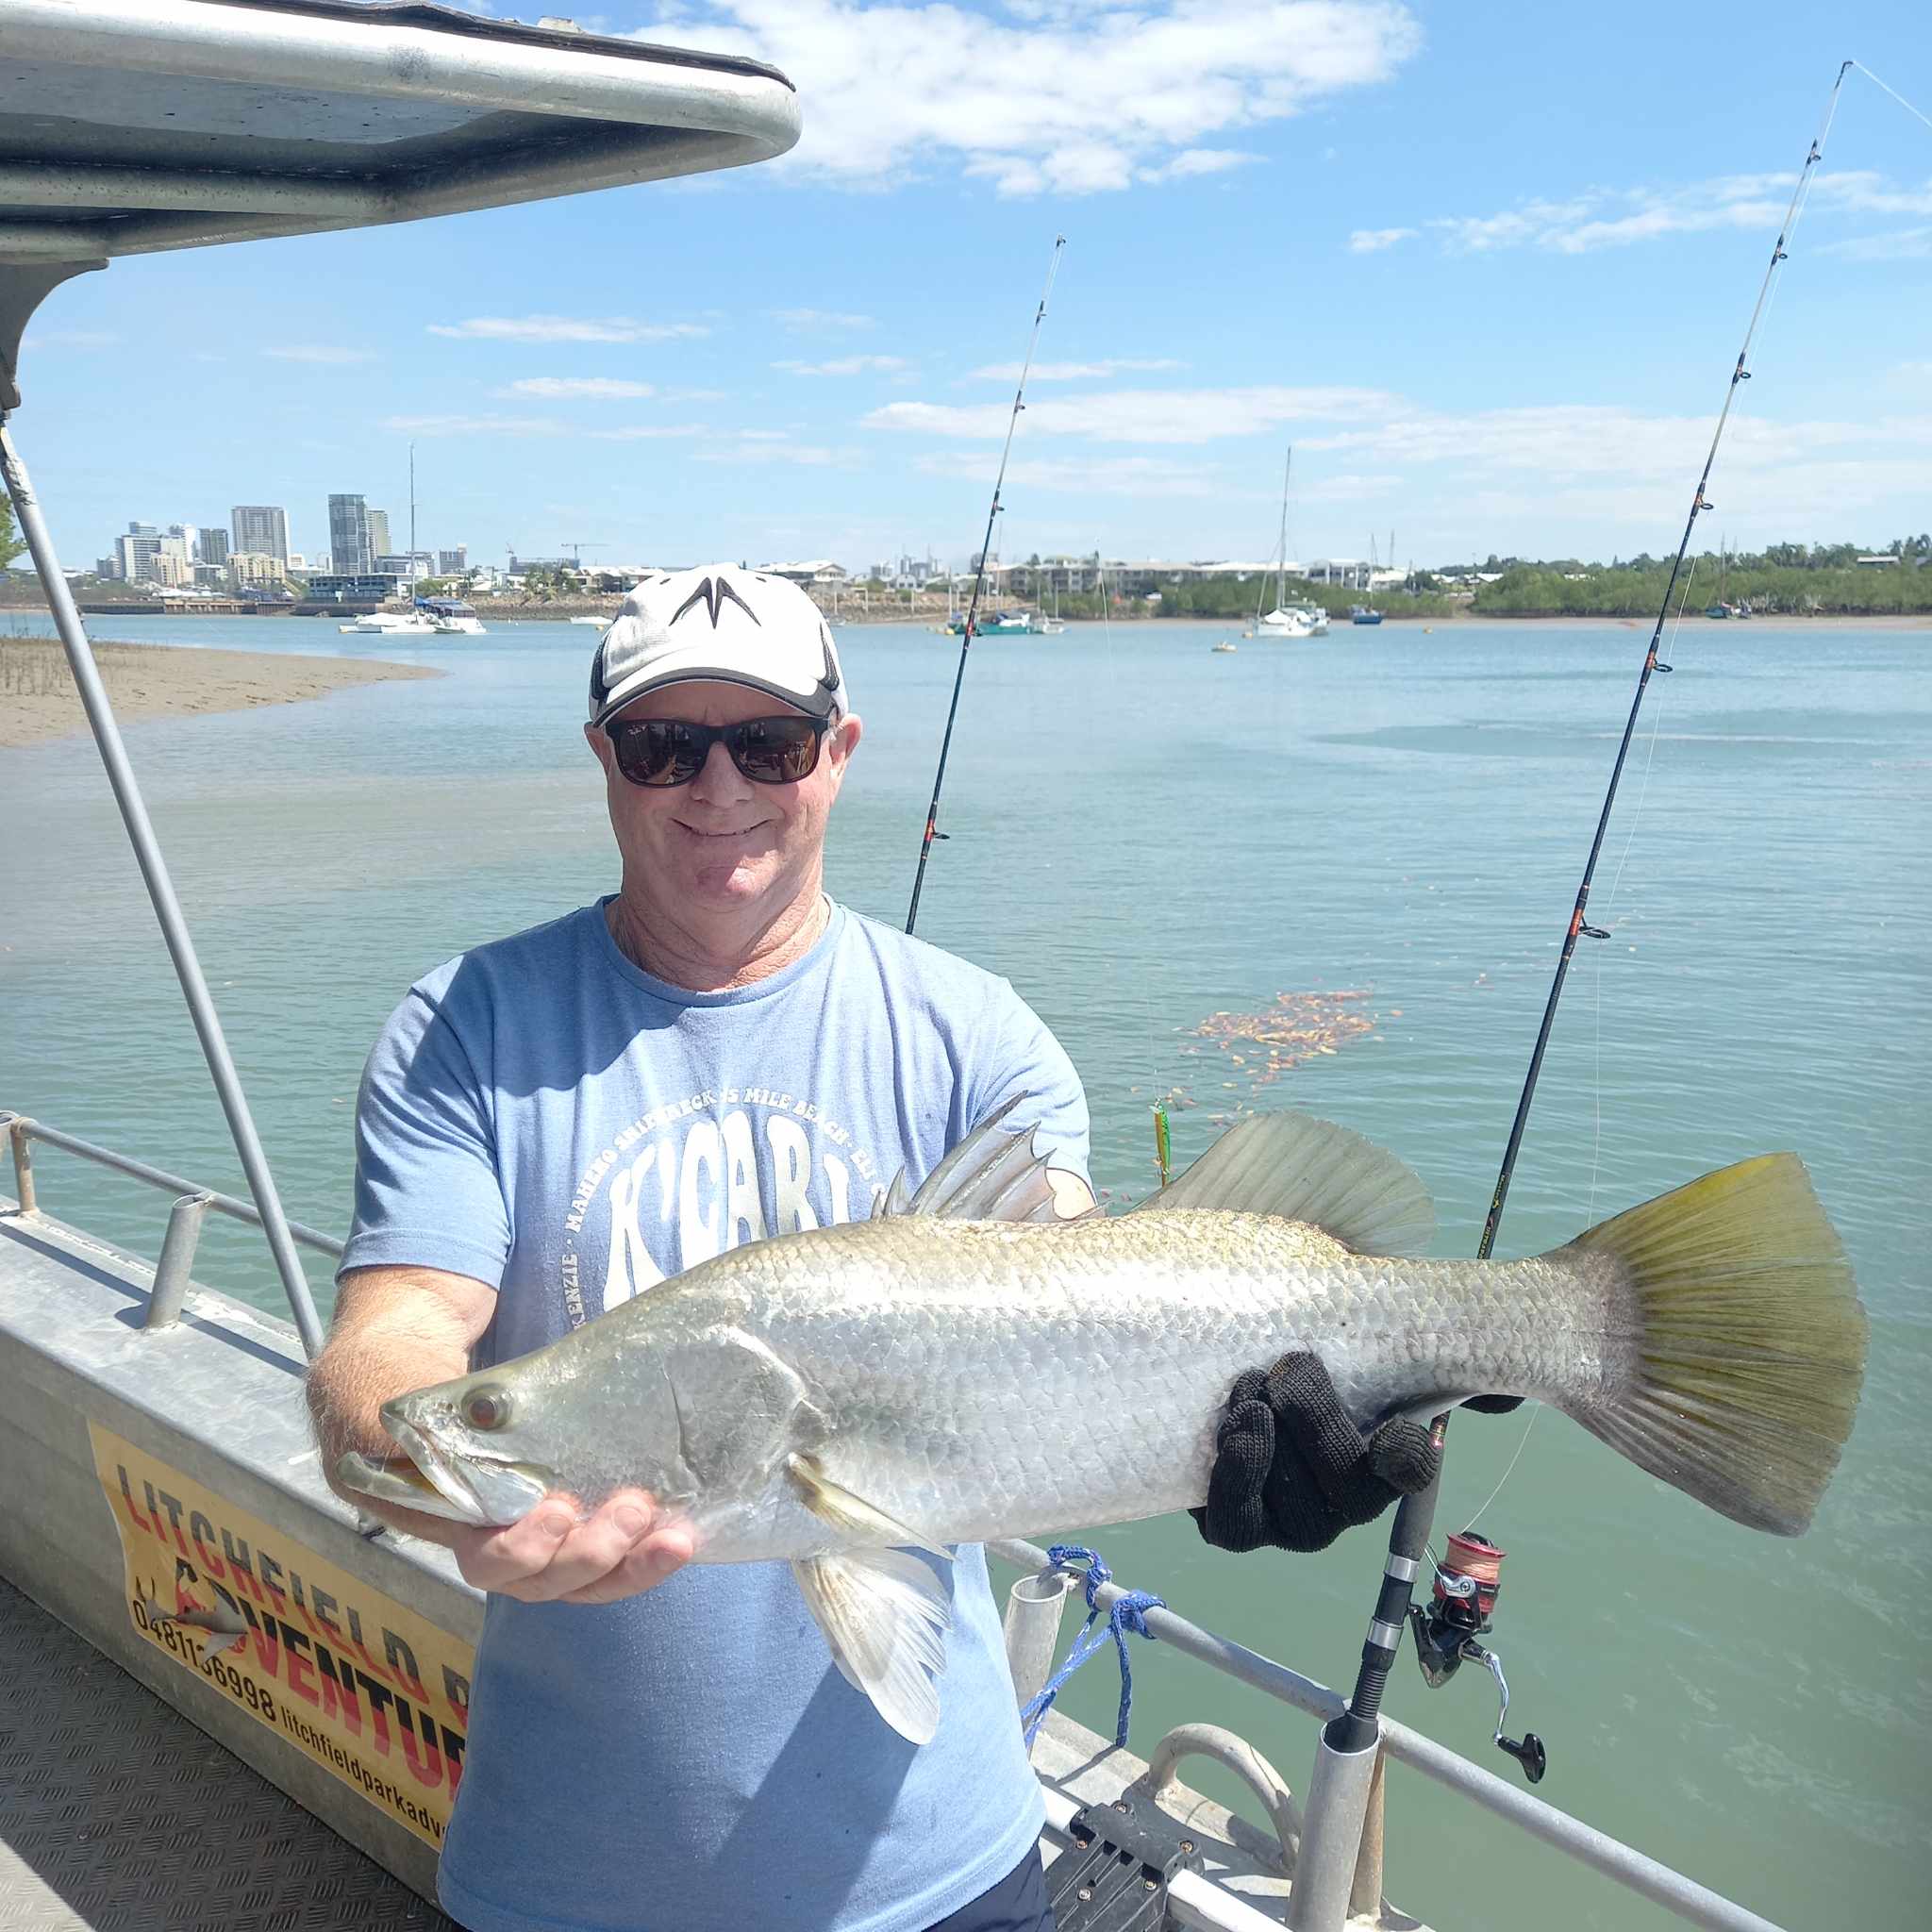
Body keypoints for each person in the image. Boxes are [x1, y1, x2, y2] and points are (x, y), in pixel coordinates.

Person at [306, 563, 1438, 1932]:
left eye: (769, 744)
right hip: (564, 1884)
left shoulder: (978, 1035)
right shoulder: (467, 1024)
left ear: (837, 754)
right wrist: (407, 1450)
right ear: (605, 757)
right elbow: (403, 1322)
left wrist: (1253, 1439)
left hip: (946, 1879)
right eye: (666, 745)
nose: (718, 789)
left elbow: (1071, 1289)